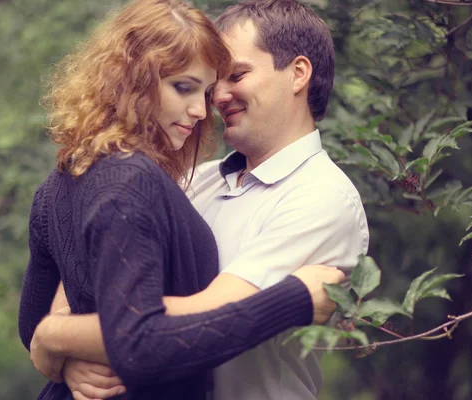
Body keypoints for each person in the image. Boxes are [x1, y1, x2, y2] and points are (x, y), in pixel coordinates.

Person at [19, 0, 347, 399]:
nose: (212, 102)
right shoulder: (169, 182)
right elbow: (137, 331)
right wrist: (53, 338)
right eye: (190, 87)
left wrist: (56, 336)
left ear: (298, 74)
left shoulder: (322, 196)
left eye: (233, 77)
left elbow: (192, 315)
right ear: (134, 81)